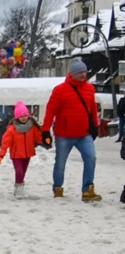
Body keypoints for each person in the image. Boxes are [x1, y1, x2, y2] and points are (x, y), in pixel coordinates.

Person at [42, 58, 101, 201]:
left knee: (91, 158)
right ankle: (58, 187)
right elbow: (51, 111)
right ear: (72, 74)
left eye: (85, 72)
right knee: (60, 163)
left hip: (84, 133)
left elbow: (92, 108)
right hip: (64, 134)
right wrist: (45, 130)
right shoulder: (60, 90)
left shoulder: (89, 88)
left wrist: (96, 125)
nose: (83, 75)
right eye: (80, 72)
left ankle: (87, 189)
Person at [0, 101, 44, 197]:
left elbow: (38, 137)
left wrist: (45, 139)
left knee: (23, 172)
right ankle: (18, 189)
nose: (24, 118)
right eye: (21, 116)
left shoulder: (32, 127)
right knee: (19, 171)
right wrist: (1, 155)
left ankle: (20, 188)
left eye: (25, 115)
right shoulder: (12, 129)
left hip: (28, 154)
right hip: (16, 154)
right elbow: (5, 143)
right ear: (17, 117)